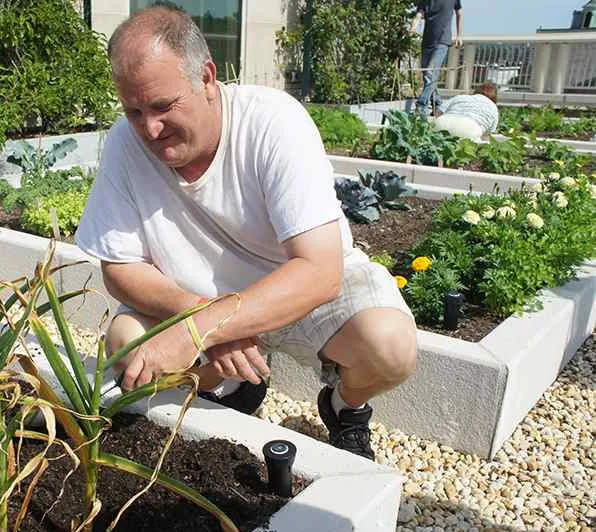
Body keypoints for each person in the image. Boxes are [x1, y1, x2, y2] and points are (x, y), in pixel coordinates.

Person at [74, 5, 417, 460]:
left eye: (162, 106)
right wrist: (206, 319)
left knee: (389, 348)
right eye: (134, 111)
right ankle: (238, 385)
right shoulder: (125, 141)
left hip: (294, 288)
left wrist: (200, 330)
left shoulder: (273, 121)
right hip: (200, 295)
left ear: (207, 78)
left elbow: (319, 272)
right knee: (128, 346)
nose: (149, 129)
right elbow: (119, 268)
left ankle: (345, 406)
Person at [412, 0, 463, 117]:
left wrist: (459, 36)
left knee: (430, 73)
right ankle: (438, 105)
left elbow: (459, 13)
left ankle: (421, 106)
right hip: (427, 42)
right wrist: (413, 26)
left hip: (442, 41)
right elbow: (419, 14)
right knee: (427, 77)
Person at [432, 82, 500, 141]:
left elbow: (438, 112)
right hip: (469, 128)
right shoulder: (493, 108)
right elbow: (487, 134)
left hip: (443, 122)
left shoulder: (461, 97)